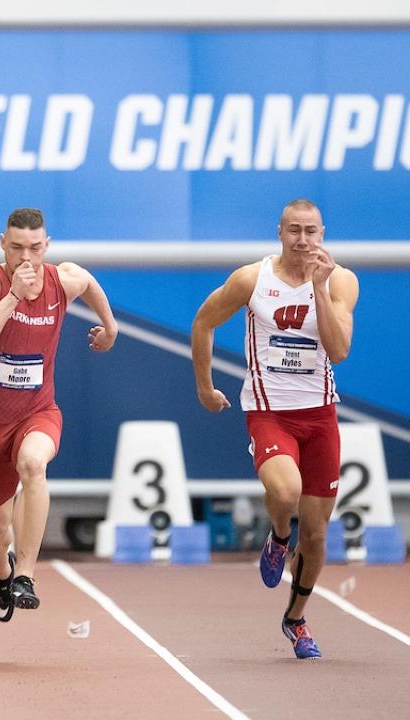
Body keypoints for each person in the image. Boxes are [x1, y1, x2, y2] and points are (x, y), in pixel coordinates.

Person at [191, 198, 358, 660]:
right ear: (280, 232)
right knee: (286, 492)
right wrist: (205, 388)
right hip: (270, 413)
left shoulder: (341, 280)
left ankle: (295, 619)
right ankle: (279, 536)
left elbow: (339, 350)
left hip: (320, 416)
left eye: (310, 231)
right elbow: (203, 322)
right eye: (294, 231)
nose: (302, 240)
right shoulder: (252, 279)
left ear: (322, 234)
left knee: (317, 535)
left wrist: (319, 288)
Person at [0, 208, 117, 622]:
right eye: (16, 248)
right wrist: (12, 297)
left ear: (47, 245)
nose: (25, 258)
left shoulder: (62, 280)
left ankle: (26, 576)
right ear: (2, 244)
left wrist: (110, 328)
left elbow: (89, 282)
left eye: (34, 248)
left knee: (33, 464)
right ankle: (3, 572)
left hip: (38, 412)